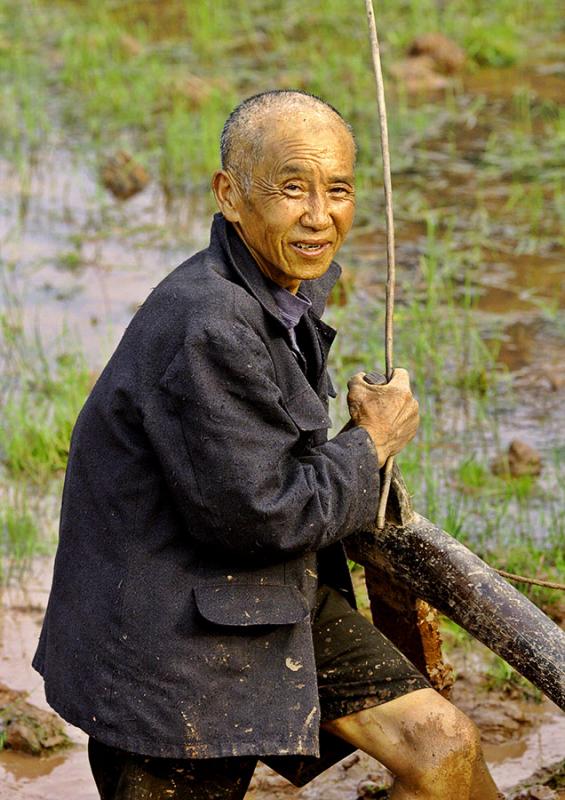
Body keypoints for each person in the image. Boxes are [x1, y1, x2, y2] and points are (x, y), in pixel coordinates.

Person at [33, 90, 500, 800]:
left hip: (253, 595)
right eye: (290, 188)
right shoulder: (210, 320)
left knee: (440, 749)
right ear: (229, 194)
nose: (319, 216)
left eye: (336, 189)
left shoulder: (275, 289)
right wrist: (370, 443)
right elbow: (263, 516)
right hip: (167, 643)